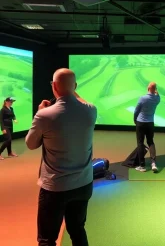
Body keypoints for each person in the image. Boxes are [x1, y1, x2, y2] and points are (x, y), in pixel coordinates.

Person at [25, 68, 97, 246]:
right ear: (75, 87)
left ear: (54, 86)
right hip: (83, 184)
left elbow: (31, 144)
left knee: (47, 239)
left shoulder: (44, 115)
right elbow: (80, 100)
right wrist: (71, 89)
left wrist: (39, 113)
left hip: (55, 188)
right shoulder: (91, 111)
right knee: (77, 230)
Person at [134, 82, 160, 173]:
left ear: (148, 88)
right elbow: (157, 94)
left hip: (141, 123)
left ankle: (142, 165)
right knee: (150, 142)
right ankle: (153, 163)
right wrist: (156, 91)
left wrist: (135, 120)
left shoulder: (143, 98)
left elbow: (136, 111)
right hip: (150, 123)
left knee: (140, 143)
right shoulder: (157, 98)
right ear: (155, 89)